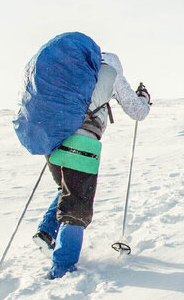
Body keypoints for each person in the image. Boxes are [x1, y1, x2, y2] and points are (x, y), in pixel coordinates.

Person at [33, 51, 151, 278]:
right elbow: (137, 111)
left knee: (67, 188)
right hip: (82, 142)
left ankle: (47, 232)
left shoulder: (74, 69)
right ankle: (63, 270)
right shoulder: (110, 70)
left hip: (53, 138)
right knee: (77, 203)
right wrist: (143, 97)